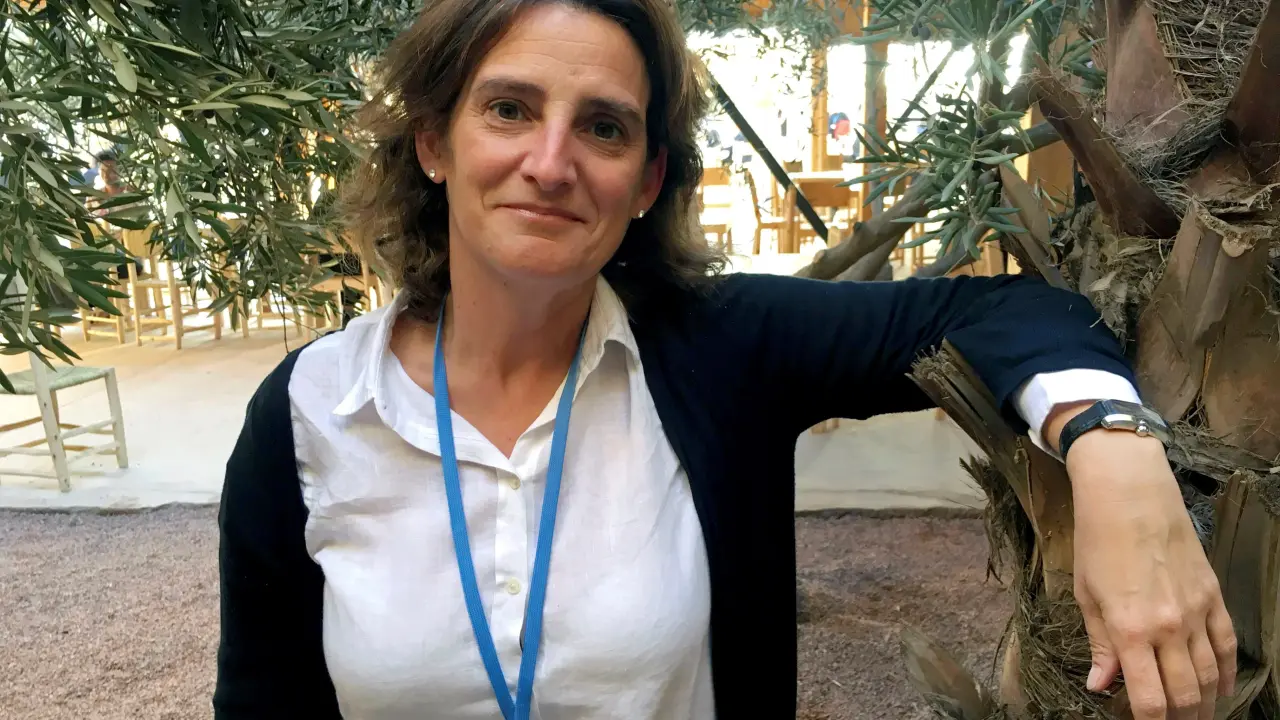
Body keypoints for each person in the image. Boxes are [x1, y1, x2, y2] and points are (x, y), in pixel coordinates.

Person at [215, 2, 1235, 719]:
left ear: (645, 180)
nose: (550, 162)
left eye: (603, 127)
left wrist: (1114, 450)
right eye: (509, 108)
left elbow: (1006, 312)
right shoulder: (311, 412)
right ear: (434, 142)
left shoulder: (722, 346)